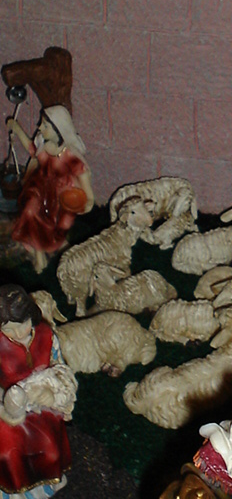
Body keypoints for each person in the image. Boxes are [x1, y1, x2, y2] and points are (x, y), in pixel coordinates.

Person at [0, 284, 75, 498]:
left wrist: (57, 393)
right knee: (11, 452)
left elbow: (59, 365)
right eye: (8, 329)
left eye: (22, 325)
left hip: (43, 404)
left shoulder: (47, 335)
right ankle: (17, 491)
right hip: (11, 411)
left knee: (49, 448)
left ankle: (47, 483)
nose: (17, 333)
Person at [7, 105, 94, 273]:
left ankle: (62, 251)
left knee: (56, 230)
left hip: (61, 198)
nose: (39, 127)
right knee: (31, 211)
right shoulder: (44, 146)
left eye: (45, 125)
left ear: (58, 130)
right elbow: (32, 149)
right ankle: (39, 256)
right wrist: (16, 128)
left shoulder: (70, 157)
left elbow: (85, 185)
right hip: (40, 190)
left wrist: (87, 202)